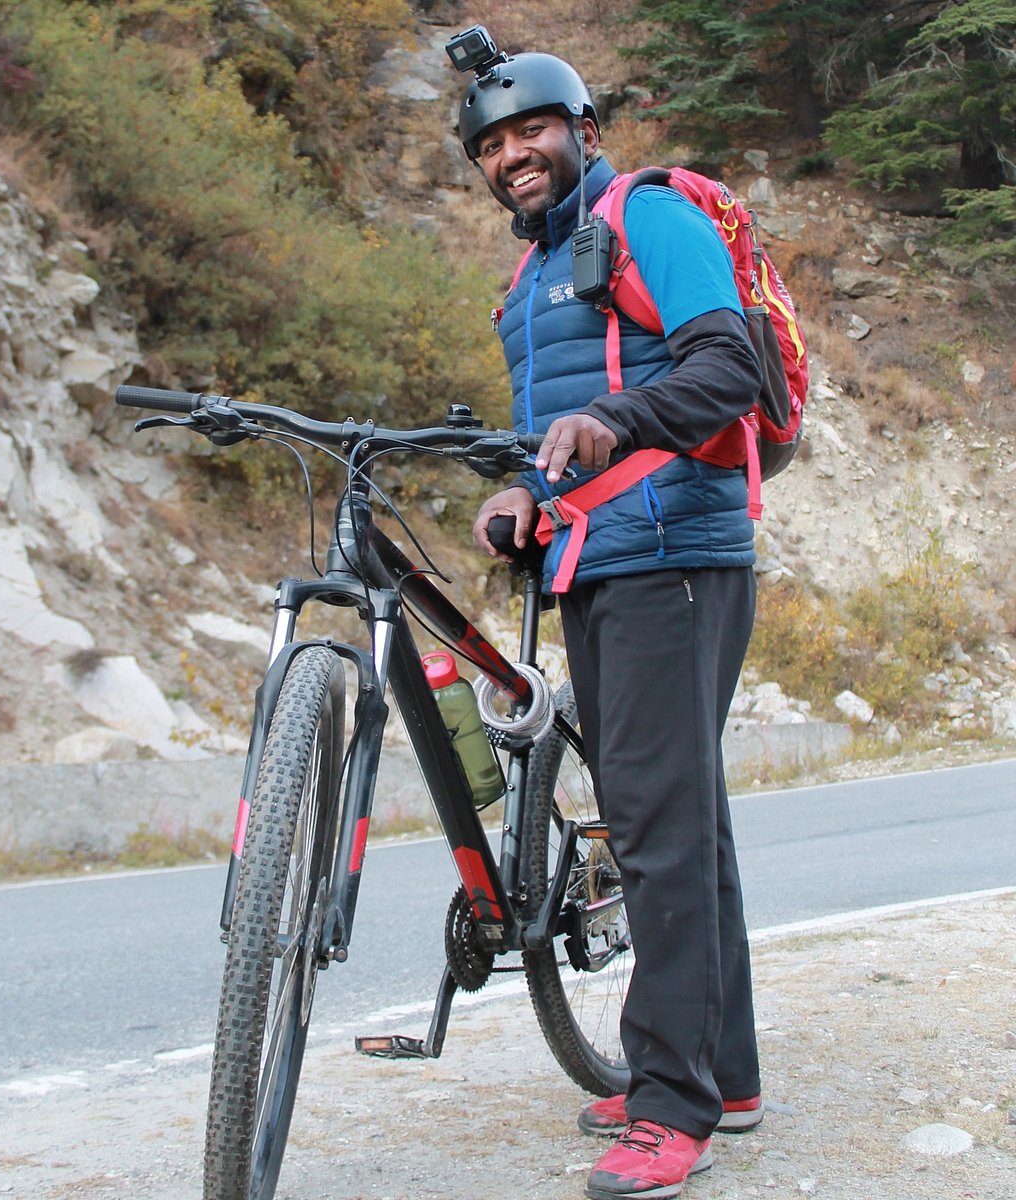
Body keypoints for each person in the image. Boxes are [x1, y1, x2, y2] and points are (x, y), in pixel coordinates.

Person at [450, 31, 765, 1200]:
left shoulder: (648, 215)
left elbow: (726, 367)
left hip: (675, 551)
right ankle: (723, 1077)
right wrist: (525, 494)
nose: (513, 154)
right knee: (681, 809)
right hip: (604, 556)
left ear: (582, 129)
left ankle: (669, 1104)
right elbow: (562, 434)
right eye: (491, 144)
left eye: (532, 128)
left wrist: (615, 427)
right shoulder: (532, 282)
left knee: (655, 824)